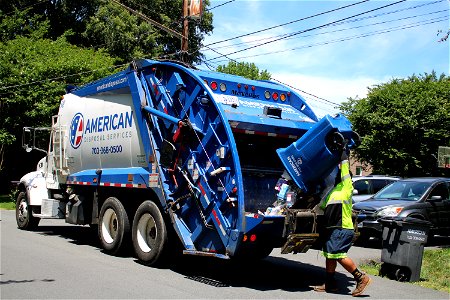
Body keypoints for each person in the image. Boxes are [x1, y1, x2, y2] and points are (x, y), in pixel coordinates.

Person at [313, 150, 371, 297]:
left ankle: (361, 277)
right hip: (333, 229)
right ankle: (330, 284)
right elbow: (320, 208)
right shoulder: (331, 193)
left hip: (342, 227)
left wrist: (343, 153)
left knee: (338, 255)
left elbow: (344, 168)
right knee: (329, 255)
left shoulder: (346, 187)